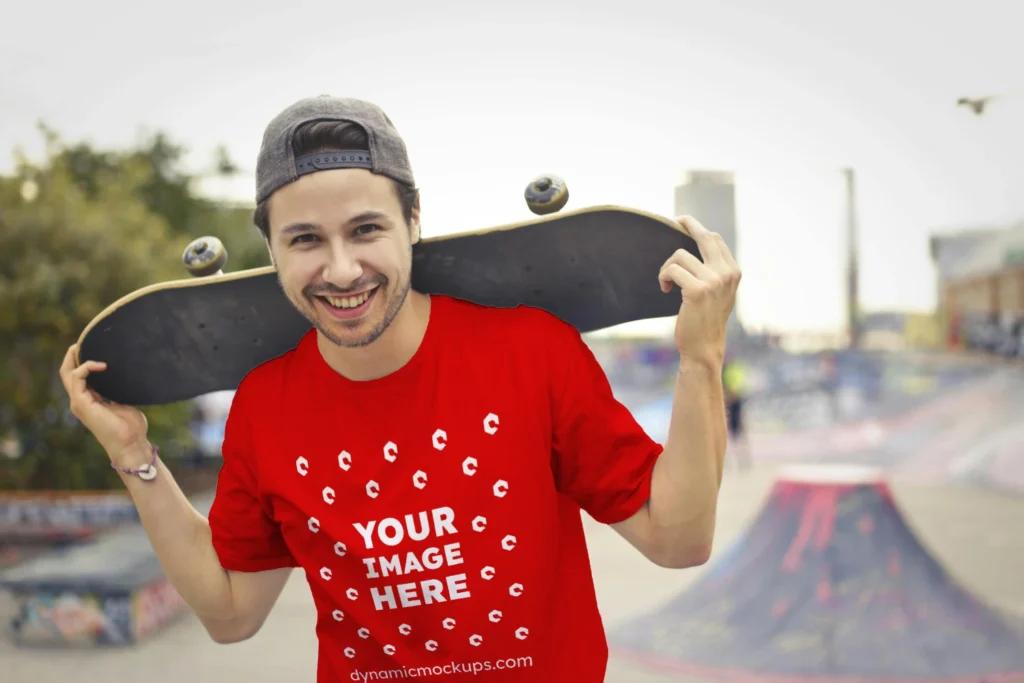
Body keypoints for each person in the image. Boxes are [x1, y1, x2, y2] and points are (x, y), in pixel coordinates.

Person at [59, 95, 741, 682]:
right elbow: (232, 612)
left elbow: (677, 539)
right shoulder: (266, 408)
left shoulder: (530, 352)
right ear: (271, 249)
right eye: (305, 240)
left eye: (366, 229)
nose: (342, 268)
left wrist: (700, 358)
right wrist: (135, 456)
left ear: (413, 220)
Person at [722, 354, 752, 470]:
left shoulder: (731, 370)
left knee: (737, 433)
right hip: (729, 403)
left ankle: (742, 461)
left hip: (732, 403)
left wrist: (730, 395)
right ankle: (736, 461)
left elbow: (736, 388)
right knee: (731, 433)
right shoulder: (726, 370)